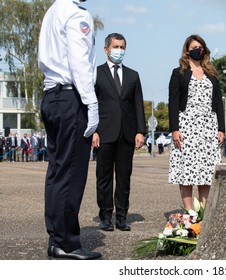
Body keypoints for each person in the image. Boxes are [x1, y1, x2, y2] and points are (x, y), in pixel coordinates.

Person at [38, 0, 101, 260]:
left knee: (57, 171)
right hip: (71, 98)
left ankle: (56, 237)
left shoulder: (53, 10)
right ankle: (67, 243)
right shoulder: (77, 14)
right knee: (71, 172)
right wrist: (92, 102)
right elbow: (79, 61)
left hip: (51, 96)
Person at [92, 33, 146, 232]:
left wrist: (140, 131)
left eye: (122, 47)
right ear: (106, 49)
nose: (119, 51)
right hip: (104, 132)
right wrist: (93, 131)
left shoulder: (133, 75)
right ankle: (105, 216)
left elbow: (138, 104)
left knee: (124, 177)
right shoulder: (95, 73)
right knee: (104, 177)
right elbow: (91, 103)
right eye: (115, 46)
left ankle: (121, 217)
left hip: (127, 133)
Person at [168, 34, 225, 210]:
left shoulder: (211, 74)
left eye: (200, 47)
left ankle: (203, 212)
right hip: (187, 126)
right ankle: (189, 213)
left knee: (206, 172)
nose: (197, 50)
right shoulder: (179, 73)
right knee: (187, 170)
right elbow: (173, 102)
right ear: (187, 51)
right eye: (193, 47)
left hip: (209, 127)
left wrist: (221, 128)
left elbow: (218, 102)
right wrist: (174, 129)